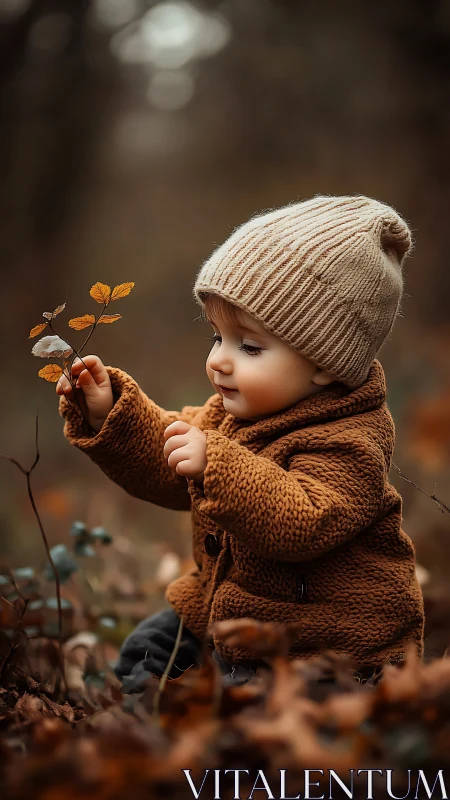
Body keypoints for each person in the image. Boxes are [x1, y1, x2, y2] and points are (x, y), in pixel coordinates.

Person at [56, 195, 425, 692]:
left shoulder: (349, 440)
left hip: (320, 644)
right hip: (220, 613)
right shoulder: (229, 415)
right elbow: (167, 452)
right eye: (216, 337)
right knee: (147, 651)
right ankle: (142, 726)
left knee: (254, 700)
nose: (220, 361)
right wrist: (110, 412)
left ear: (324, 364)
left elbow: (304, 520)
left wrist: (216, 464)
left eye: (249, 346)